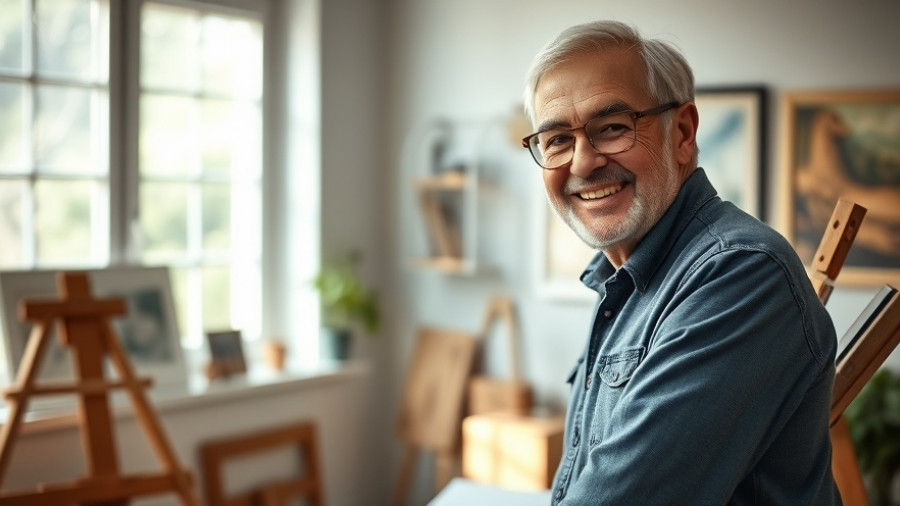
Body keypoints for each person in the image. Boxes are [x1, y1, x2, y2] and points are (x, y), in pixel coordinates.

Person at [521, 20, 841, 504]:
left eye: (612, 128)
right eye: (557, 141)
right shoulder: (623, 280)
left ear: (683, 133)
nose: (582, 162)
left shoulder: (740, 274)